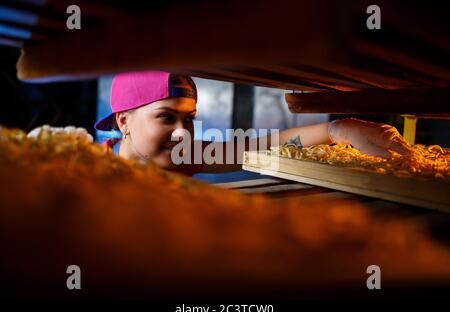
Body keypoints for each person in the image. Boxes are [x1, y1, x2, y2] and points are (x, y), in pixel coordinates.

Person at [94, 70, 412, 176]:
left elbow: (260, 146)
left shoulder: (184, 158)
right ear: (124, 121)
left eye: (188, 119)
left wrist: (337, 129)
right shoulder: (85, 171)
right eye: (166, 117)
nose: (182, 133)